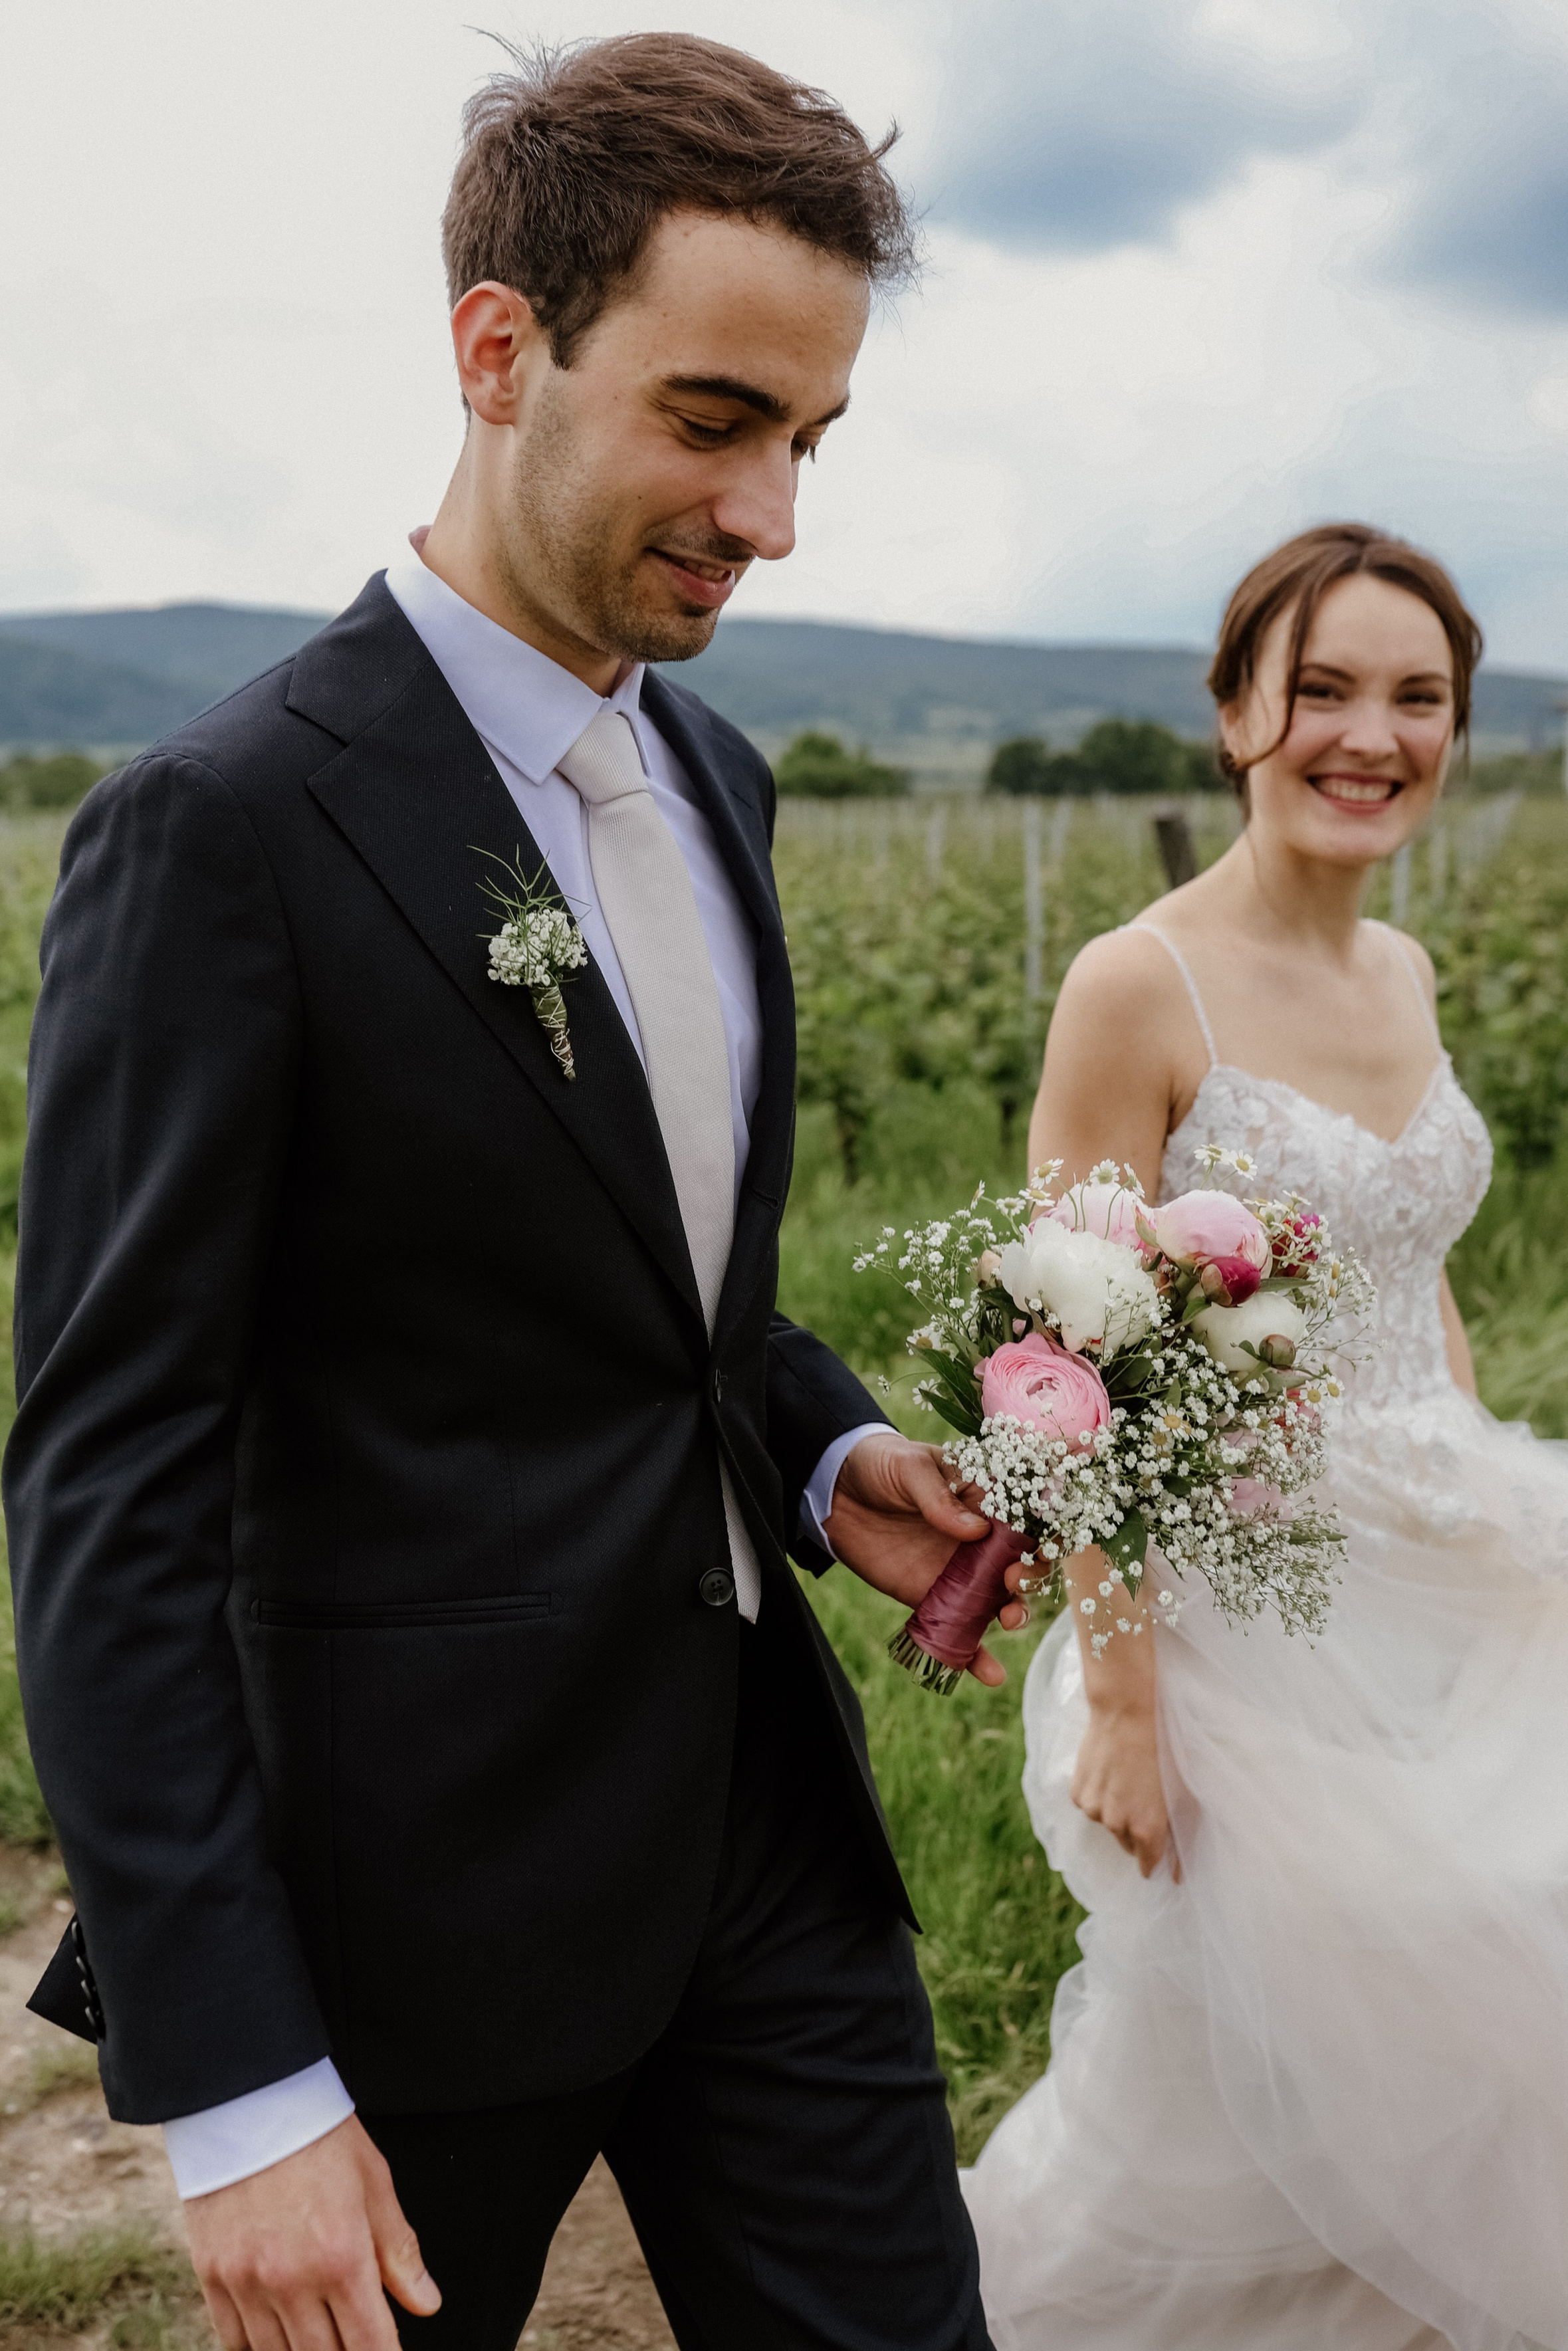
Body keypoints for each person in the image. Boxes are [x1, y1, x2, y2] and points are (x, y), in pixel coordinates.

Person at [4, 37, 1014, 2351]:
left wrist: (828, 1447)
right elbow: (109, 1475)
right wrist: (237, 2083)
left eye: (812, 439)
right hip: (418, 1906)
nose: (772, 515)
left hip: (767, 1836)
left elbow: (654, 1276)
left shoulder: (724, 776)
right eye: (714, 420)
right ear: (496, 348)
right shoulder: (225, 828)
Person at [962, 522, 1568, 2348]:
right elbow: (1065, 1357)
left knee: (1501, 2022)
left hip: (1446, 1558)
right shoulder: (1138, 984)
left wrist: (1484, 1495)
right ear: (1237, 713)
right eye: (1324, 689)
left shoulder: (1410, 973)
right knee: (1252, 2083)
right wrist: (1127, 1700)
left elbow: (1414, 1272)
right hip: (1250, 1605)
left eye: (1418, 698)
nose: (1371, 735)